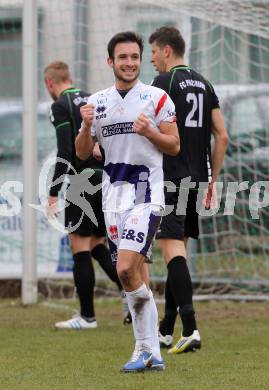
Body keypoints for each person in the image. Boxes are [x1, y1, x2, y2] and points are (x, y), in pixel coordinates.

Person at [75, 31, 180, 372]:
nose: (131, 62)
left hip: (146, 195)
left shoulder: (157, 98)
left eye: (135, 57)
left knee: (124, 268)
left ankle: (146, 348)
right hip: (112, 198)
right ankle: (150, 353)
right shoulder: (98, 102)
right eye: (123, 57)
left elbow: (174, 145)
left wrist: (150, 131)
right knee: (131, 276)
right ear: (111, 62)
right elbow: (82, 153)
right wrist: (85, 126)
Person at [149, 27, 229, 353]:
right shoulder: (205, 83)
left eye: (153, 51)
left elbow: (149, 130)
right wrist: (213, 180)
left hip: (170, 178)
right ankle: (166, 328)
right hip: (196, 178)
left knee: (170, 249)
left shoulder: (164, 83)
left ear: (167, 50)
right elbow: (221, 136)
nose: (151, 58)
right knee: (177, 249)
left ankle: (191, 327)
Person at [43, 61, 130, 330]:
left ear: (50, 83)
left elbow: (65, 150)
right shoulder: (91, 99)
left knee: (78, 245)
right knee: (96, 244)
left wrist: (53, 192)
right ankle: (129, 291)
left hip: (82, 181)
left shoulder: (60, 105)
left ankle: (87, 316)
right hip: (104, 178)